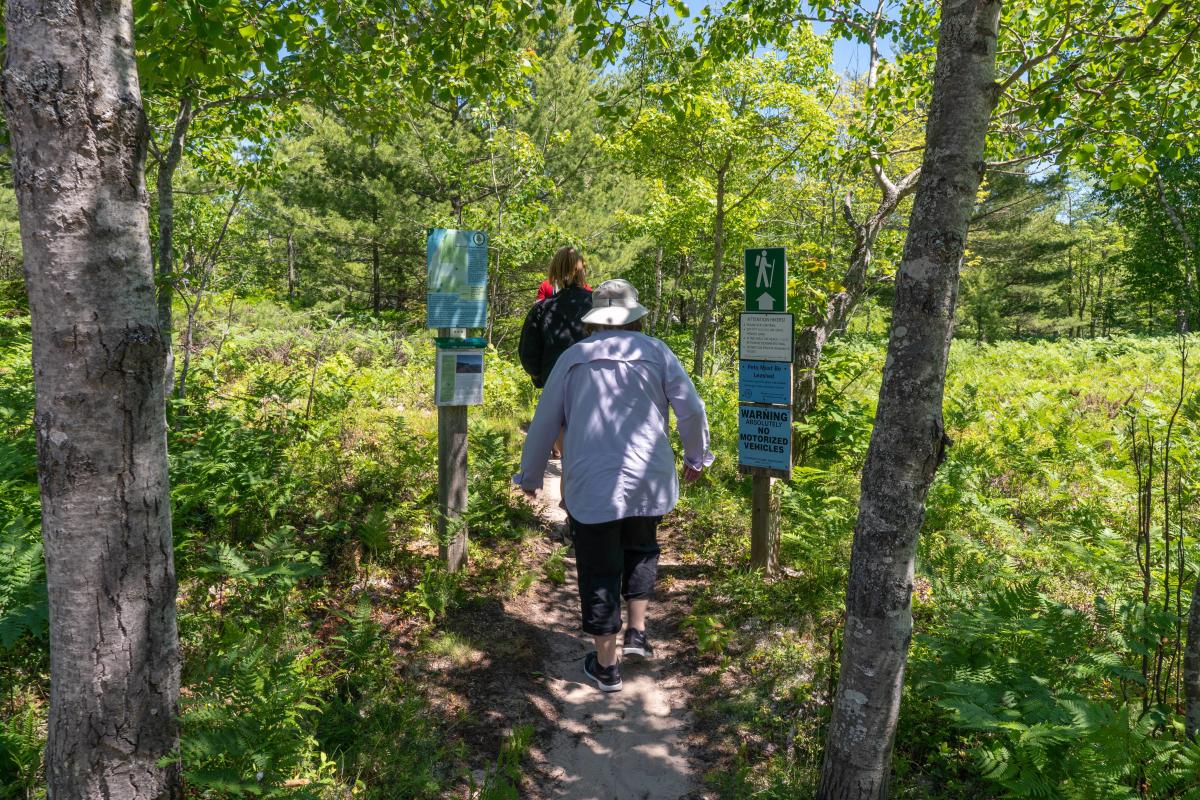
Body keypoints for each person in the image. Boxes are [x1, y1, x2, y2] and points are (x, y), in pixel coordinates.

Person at [513, 279, 713, 693]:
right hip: (647, 478)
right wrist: (697, 456)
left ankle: (607, 666)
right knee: (641, 548)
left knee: (598, 564)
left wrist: (530, 476)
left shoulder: (573, 358)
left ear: (595, 321)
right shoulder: (657, 352)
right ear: (634, 318)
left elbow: (545, 423)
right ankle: (637, 632)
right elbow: (690, 410)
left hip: (592, 482)